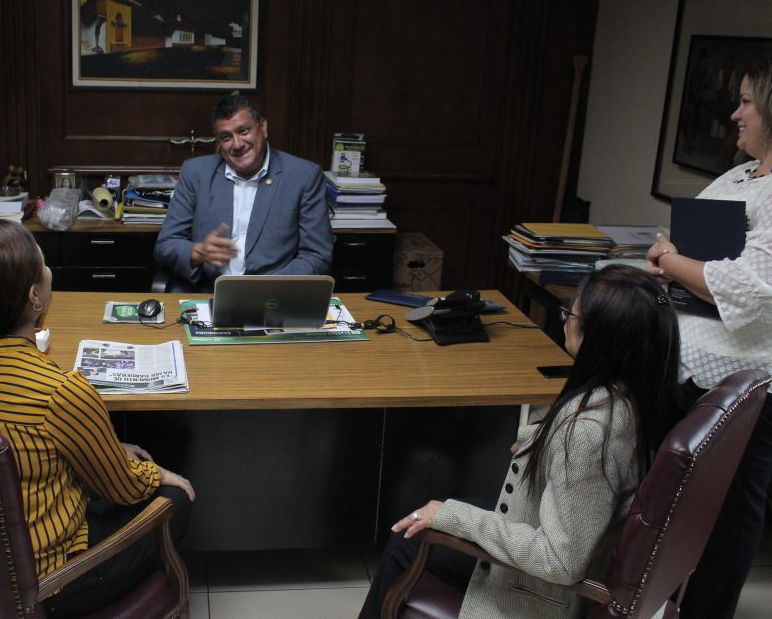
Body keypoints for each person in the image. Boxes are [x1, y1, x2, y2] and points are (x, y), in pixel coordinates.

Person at [359, 265, 682, 619]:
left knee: (407, 537)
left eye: (570, 314)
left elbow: (560, 562)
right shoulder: (643, 393)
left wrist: (452, 517)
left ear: (600, 338)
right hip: (569, 538)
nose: (564, 321)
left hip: (542, 592)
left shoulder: (589, 431)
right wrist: (543, 441)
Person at [0, 220, 194, 618]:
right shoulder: (60, 391)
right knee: (176, 499)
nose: (49, 270)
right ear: (34, 297)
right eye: (44, 265)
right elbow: (124, 488)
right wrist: (160, 475)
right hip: (51, 582)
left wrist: (106, 446)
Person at [645, 57, 772, 619]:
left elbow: (749, 286)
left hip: (744, 385)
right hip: (684, 368)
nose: (735, 113)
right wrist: (666, 257)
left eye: (746, 102)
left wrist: (675, 264)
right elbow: (680, 241)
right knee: (665, 502)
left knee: (728, 515)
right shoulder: (739, 176)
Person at [154, 93, 333, 290]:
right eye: (226, 137)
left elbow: (317, 256)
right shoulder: (196, 173)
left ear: (263, 128)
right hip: (208, 292)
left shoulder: (303, 176)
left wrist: (266, 289)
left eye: (244, 131)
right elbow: (166, 245)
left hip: (274, 295)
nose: (237, 144)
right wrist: (197, 252)